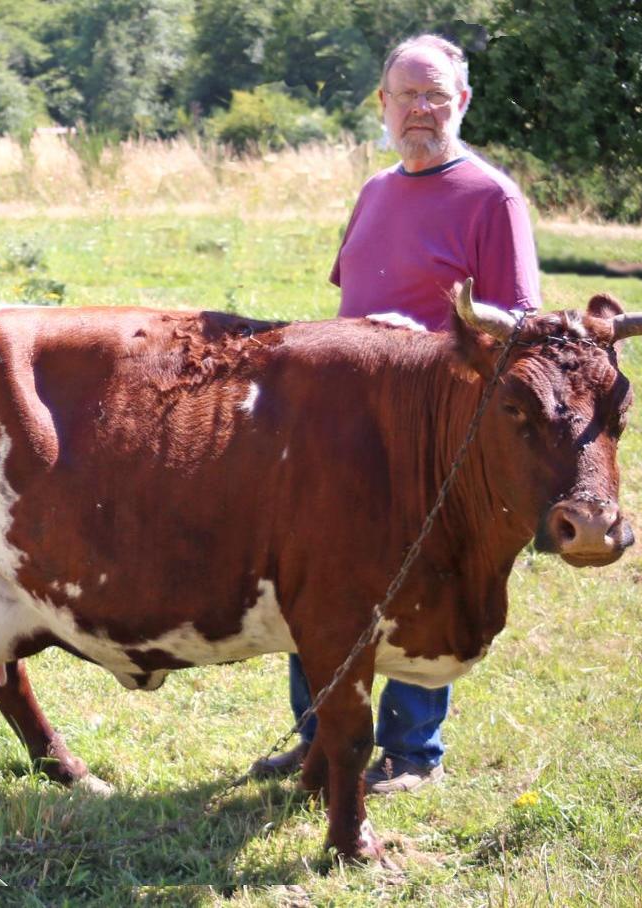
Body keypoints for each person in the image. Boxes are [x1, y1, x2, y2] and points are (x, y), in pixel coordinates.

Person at [250, 33, 542, 794]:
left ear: (463, 103)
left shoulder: (491, 198)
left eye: (435, 94)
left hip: (435, 436)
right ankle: (319, 738)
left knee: (424, 582)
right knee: (320, 573)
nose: (420, 109)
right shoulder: (376, 192)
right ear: (382, 105)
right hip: (347, 428)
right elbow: (353, 302)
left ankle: (413, 752)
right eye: (406, 95)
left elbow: (522, 325)